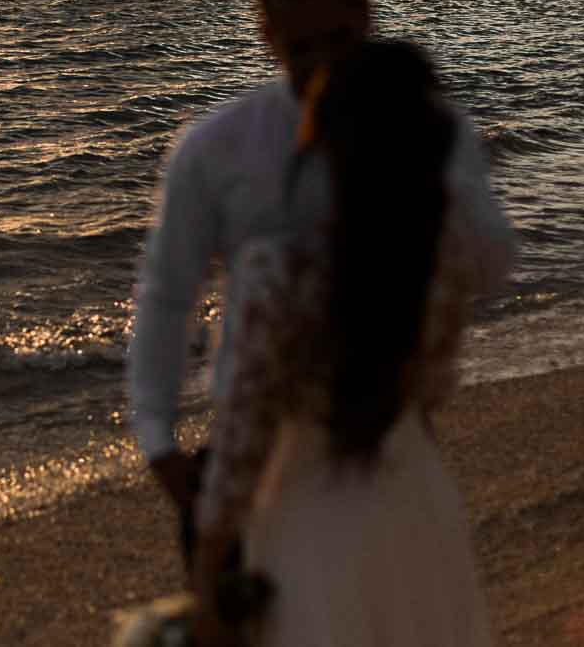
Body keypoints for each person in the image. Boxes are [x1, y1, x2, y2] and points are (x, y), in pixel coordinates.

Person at [126, 0, 511, 566]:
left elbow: (490, 267)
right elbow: (168, 293)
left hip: (396, 433)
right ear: (268, 37)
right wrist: (156, 435)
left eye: (339, 39)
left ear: (366, 16)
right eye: (301, 48)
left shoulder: (431, 132)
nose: (323, 65)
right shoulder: (217, 148)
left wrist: (423, 177)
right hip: (260, 451)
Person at [189, 39, 511, 646]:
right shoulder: (443, 256)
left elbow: (243, 431)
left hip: (309, 511)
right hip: (414, 493)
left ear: (318, 135)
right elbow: (433, 387)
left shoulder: (275, 269)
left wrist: (207, 571)